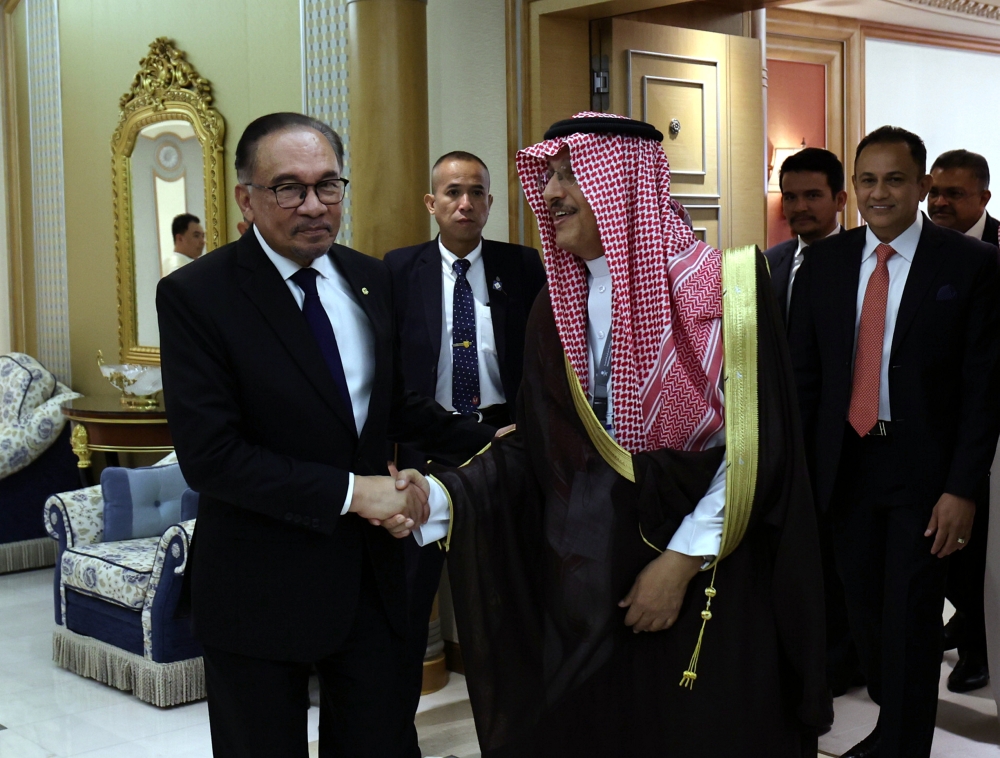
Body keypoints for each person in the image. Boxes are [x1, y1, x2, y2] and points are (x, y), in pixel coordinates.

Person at [385, 113, 831, 757]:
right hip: (593, 573)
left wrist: (677, 564)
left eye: (572, 176)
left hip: (711, 567)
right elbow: (541, 446)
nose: (553, 192)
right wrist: (439, 495)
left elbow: (756, 445)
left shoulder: (725, 286)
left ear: (624, 183)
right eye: (551, 177)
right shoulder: (553, 304)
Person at [156, 112, 496, 758]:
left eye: (328, 186)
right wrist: (354, 492)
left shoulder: (368, 278)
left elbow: (387, 404)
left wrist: (485, 439)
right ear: (246, 200)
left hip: (368, 583)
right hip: (257, 590)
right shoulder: (197, 296)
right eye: (289, 188)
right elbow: (212, 458)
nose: (314, 205)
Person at [789, 126, 1000, 758]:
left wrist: (962, 487)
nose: (879, 193)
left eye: (895, 179)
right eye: (868, 180)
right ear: (854, 187)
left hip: (924, 475)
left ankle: (903, 745)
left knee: (910, 616)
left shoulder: (972, 264)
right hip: (844, 467)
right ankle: (891, 726)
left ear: (920, 185)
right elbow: (804, 381)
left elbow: (984, 387)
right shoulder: (823, 262)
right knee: (862, 612)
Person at [383, 149, 545, 751]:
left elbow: (544, 364)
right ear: (432, 203)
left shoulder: (523, 266)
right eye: (453, 192)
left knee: (508, 602)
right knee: (405, 606)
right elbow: (388, 377)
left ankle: (520, 736)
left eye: (477, 192)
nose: (466, 203)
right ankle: (397, 737)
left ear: (491, 203)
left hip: (505, 447)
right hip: (426, 450)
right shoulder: (398, 271)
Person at [927, 148, 997, 693]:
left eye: (955, 193)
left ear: (984, 198)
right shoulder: (922, 249)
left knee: (981, 550)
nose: (941, 202)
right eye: (936, 192)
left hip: (988, 427)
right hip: (932, 425)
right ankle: (962, 621)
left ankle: (979, 649)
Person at [764, 147, 847, 324]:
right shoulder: (767, 264)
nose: (800, 207)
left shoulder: (864, 260)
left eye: (812, 196)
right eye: (790, 197)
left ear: (840, 201)